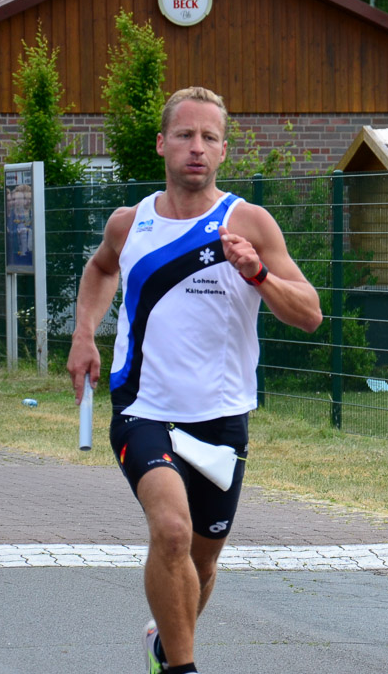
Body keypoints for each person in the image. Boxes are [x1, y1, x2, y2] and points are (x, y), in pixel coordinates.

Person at [66, 87, 323, 674]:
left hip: (221, 416)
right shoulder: (129, 223)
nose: (197, 148)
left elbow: (309, 313)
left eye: (209, 137)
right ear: (163, 144)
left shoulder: (247, 222)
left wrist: (257, 274)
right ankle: (183, 669)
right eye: (185, 135)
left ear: (224, 150)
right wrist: (84, 333)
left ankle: (163, 647)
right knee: (172, 532)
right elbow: (101, 269)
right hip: (144, 408)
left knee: (202, 563)